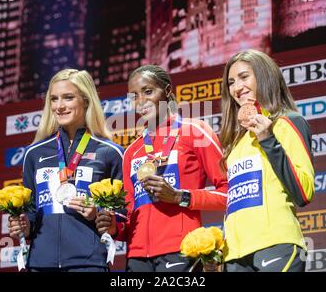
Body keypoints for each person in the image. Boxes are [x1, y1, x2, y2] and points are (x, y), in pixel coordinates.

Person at [95, 65, 228, 272]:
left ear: (167, 91)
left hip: (182, 250)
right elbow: (130, 215)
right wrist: (115, 227)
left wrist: (180, 197)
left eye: (148, 92)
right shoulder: (132, 151)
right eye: (134, 96)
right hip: (137, 258)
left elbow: (230, 193)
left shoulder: (195, 131)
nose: (141, 102)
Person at [8, 69, 124, 272]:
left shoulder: (109, 152)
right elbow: (32, 213)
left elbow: (124, 214)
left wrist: (98, 214)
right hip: (40, 264)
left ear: (86, 101)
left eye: (68, 98)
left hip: (89, 264)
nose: (59, 106)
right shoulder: (34, 154)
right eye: (54, 99)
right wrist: (24, 226)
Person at [219, 49, 315, 272]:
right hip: (234, 255)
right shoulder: (235, 142)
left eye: (244, 77)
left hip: (275, 245)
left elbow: (304, 192)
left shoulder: (288, 122)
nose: (236, 87)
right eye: (231, 82)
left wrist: (268, 139)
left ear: (264, 76)